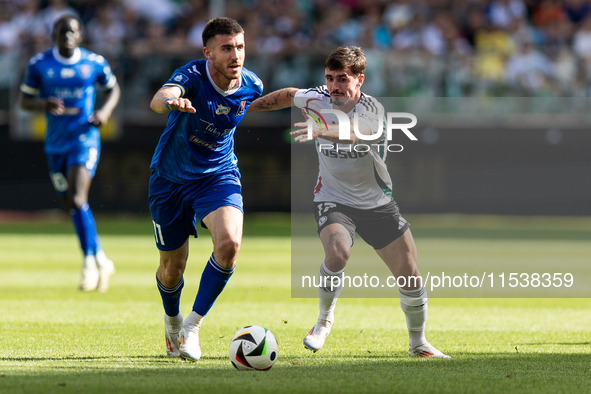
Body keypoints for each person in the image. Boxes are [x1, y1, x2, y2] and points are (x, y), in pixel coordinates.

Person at [247, 45, 449, 358]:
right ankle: (323, 321)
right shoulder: (316, 98)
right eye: (330, 78)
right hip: (332, 199)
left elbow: (355, 133)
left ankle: (418, 343)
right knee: (338, 254)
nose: (335, 86)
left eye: (342, 79)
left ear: (360, 80)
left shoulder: (373, 110)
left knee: (410, 274)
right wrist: (246, 107)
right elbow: (287, 94)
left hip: (378, 204)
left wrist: (320, 129)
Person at [148, 17, 263, 362]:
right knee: (173, 268)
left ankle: (192, 327)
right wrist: (172, 102)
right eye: (227, 48)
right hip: (169, 178)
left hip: (217, 175)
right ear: (208, 52)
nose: (236, 55)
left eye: (240, 47)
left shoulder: (251, 85)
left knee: (229, 244)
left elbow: (263, 102)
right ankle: (172, 322)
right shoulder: (193, 76)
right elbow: (160, 97)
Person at [19, 15, 120, 293]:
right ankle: (102, 258)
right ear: (54, 34)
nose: (67, 36)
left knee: (77, 198)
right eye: (62, 31)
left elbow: (112, 89)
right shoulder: (40, 64)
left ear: (80, 35)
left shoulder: (93, 62)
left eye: (72, 31)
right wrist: (43, 103)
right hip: (54, 144)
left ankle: (88, 263)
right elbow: (23, 100)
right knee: (71, 205)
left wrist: (104, 112)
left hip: (84, 139)